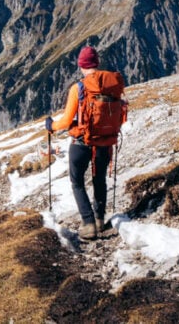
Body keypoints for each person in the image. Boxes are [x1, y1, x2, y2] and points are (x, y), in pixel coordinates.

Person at [45, 45, 117, 240]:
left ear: (81, 65)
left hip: (81, 142)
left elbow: (67, 120)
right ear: (97, 63)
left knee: (77, 182)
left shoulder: (79, 88)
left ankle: (88, 223)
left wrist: (51, 126)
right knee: (99, 179)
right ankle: (100, 220)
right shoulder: (111, 84)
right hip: (104, 141)